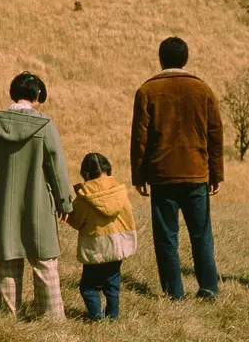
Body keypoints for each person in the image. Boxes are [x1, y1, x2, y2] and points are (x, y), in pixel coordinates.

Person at [129, 36, 224, 301]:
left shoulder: (147, 90)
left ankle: (174, 293)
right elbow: (215, 134)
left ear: (161, 59)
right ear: (186, 58)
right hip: (196, 171)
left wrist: (139, 175)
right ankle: (209, 288)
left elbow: (140, 137)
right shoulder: (203, 89)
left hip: (162, 174)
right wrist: (216, 173)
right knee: (201, 235)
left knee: (167, 238)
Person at [0, 71, 75, 321]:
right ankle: (51, 319)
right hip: (38, 203)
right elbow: (56, 167)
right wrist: (64, 202)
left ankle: (5, 318)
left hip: (2, 204)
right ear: (38, 94)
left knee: (7, 261)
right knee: (45, 262)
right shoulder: (45, 125)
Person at [66, 152, 138, 321]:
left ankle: (97, 317)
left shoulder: (84, 197)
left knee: (88, 287)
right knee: (112, 284)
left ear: (85, 173)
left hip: (95, 248)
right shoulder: (120, 191)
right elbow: (129, 217)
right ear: (107, 168)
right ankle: (113, 316)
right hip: (117, 246)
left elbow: (75, 221)